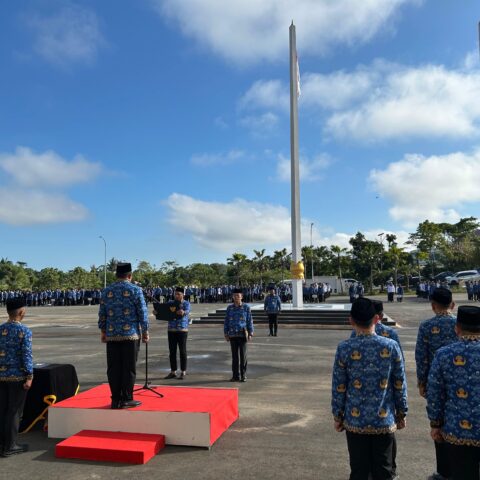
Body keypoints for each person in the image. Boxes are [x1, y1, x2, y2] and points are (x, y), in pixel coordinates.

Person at [332, 297, 407, 480]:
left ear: (351, 320)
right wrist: (401, 413)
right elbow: (399, 383)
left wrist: (338, 415)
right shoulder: (390, 346)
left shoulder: (344, 348)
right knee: (384, 469)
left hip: (355, 420)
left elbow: (339, 386)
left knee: (359, 470)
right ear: (376, 319)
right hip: (384, 419)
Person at [426, 305, 480, 480]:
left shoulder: (444, 355)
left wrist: (435, 424)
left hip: (457, 431)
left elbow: (435, 393)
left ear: (457, 328)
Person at [415, 287, 457, 480]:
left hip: (436, 384)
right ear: (453, 304)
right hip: (462, 383)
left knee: (438, 424)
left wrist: (422, 383)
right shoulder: (462, 323)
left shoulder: (426, 326)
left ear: (433, 306)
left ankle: (444, 471)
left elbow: (421, 358)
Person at [98, 262, 149, 409]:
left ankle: (115, 399)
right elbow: (142, 313)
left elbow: (102, 314)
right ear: (130, 276)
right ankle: (126, 398)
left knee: (113, 368)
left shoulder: (107, 290)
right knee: (128, 368)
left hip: (112, 334)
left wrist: (103, 331)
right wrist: (145, 331)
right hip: (130, 335)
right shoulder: (135, 290)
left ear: (116, 275)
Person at [0, 298, 33, 456]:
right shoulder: (24, 331)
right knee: (14, 412)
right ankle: (10, 445)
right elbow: (26, 355)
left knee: (2, 410)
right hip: (17, 377)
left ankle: (2, 443)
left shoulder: (1, 329)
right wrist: (29, 375)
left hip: (1, 376)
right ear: (21, 312)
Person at [224, 288, 254, 382]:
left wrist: (250, 332)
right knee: (234, 357)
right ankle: (235, 376)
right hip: (232, 334)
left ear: (241, 296)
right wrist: (226, 333)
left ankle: (243, 375)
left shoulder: (246, 307)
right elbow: (226, 321)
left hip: (242, 334)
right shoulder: (229, 308)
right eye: (234, 296)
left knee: (243, 356)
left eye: (238, 296)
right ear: (232, 297)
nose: (236, 297)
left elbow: (249, 320)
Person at [163, 287, 191, 380]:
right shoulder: (170, 303)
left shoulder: (186, 303)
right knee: (172, 351)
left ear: (183, 295)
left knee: (182, 351)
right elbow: (164, 310)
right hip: (171, 330)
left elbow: (187, 311)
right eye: (175, 294)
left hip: (182, 330)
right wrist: (157, 312)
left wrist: (183, 312)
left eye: (179, 294)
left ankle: (183, 371)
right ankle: (173, 371)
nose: (177, 296)